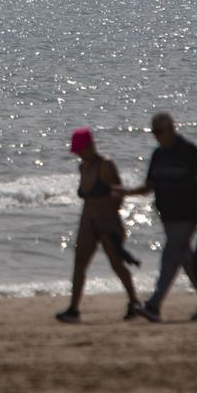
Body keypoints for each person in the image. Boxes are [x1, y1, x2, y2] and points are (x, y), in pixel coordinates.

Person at [119, 112, 197, 322]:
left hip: (187, 216)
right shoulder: (158, 155)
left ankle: (154, 305)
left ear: (172, 129)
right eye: (154, 132)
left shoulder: (190, 152)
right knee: (185, 260)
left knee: (169, 258)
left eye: (160, 132)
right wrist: (124, 192)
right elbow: (149, 186)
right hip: (168, 217)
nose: (156, 136)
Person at [55, 127, 143, 324]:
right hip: (88, 223)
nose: (79, 154)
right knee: (79, 265)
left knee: (117, 265)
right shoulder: (83, 167)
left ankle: (134, 302)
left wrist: (110, 221)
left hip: (107, 224)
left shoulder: (106, 165)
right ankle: (73, 309)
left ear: (90, 146)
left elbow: (119, 194)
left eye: (81, 150)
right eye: (77, 151)